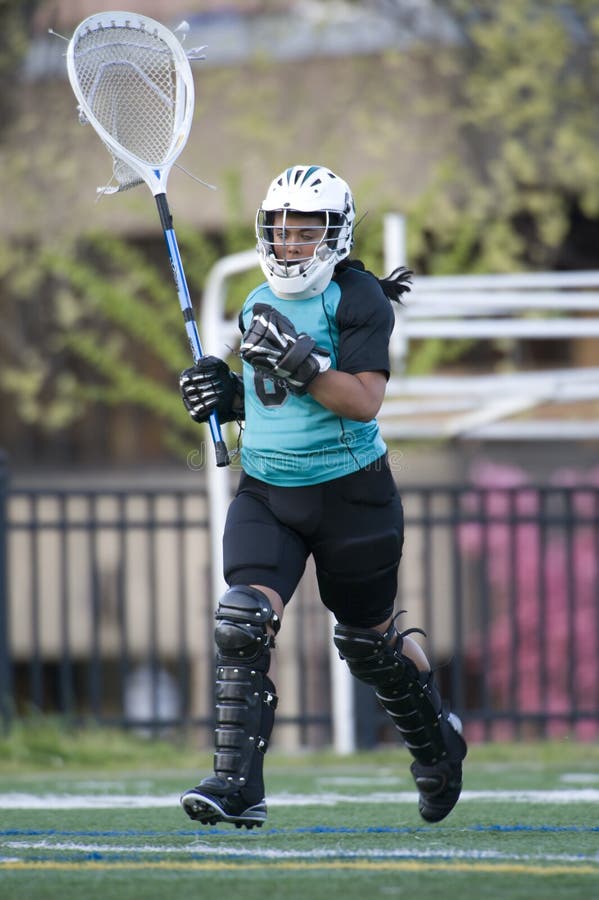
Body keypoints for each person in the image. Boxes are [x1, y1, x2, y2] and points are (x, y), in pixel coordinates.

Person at [178, 164, 467, 829]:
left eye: (306, 232)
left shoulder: (358, 297)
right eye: (281, 231)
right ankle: (236, 785)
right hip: (268, 490)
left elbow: (363, 402)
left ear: (334, 236)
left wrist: (303, 363)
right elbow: (261, 400)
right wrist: (220, 395)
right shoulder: (255, 300)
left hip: (350, 497)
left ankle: (436, 744)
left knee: (367, 643)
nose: (290, 245)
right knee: (239, 618)